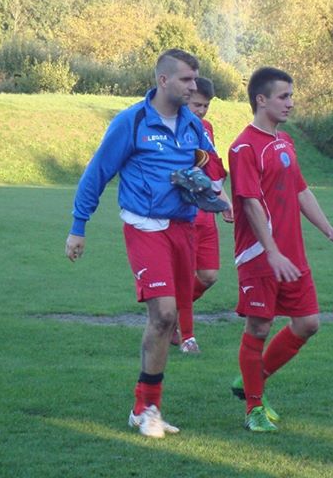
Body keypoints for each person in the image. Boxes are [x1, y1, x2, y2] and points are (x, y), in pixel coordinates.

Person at [65, 49, 218, 439]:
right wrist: (78, 226)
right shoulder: (131, 122)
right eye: (186, 79)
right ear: (163, 80)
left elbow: (208, 166)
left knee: (169, 319)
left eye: (195, 79)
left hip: (183, 228)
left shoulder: (193, 125)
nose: (193, 87)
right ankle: (145, 408)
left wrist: (208, 188)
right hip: (144, 228)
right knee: (163, 314)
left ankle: (147, 408)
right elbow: (97, 172)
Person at [227, 67, 333, 432]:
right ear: (261, 99)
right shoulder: (243, 147)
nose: (290, 103)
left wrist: (330, 231)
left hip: (292, 254)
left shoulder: (285, 141)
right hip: (260, 255)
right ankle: (253, 409)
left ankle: (251, 381)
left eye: (291, 96)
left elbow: (301, 191)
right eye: (283, 96)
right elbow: (250, 204)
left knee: (308, 323)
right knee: (259, 326)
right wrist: (271, 251)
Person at [171, 76, 233, 354]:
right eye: (196, 104)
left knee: (208, 276)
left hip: (206, 216)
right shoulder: (170, 127)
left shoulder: (206, 129)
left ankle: (168, 313)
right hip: (182, 215)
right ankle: (187, 337)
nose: (201, 110)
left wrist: (224, 202)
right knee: (184, 278)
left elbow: (211, 173)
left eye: (206, 106)